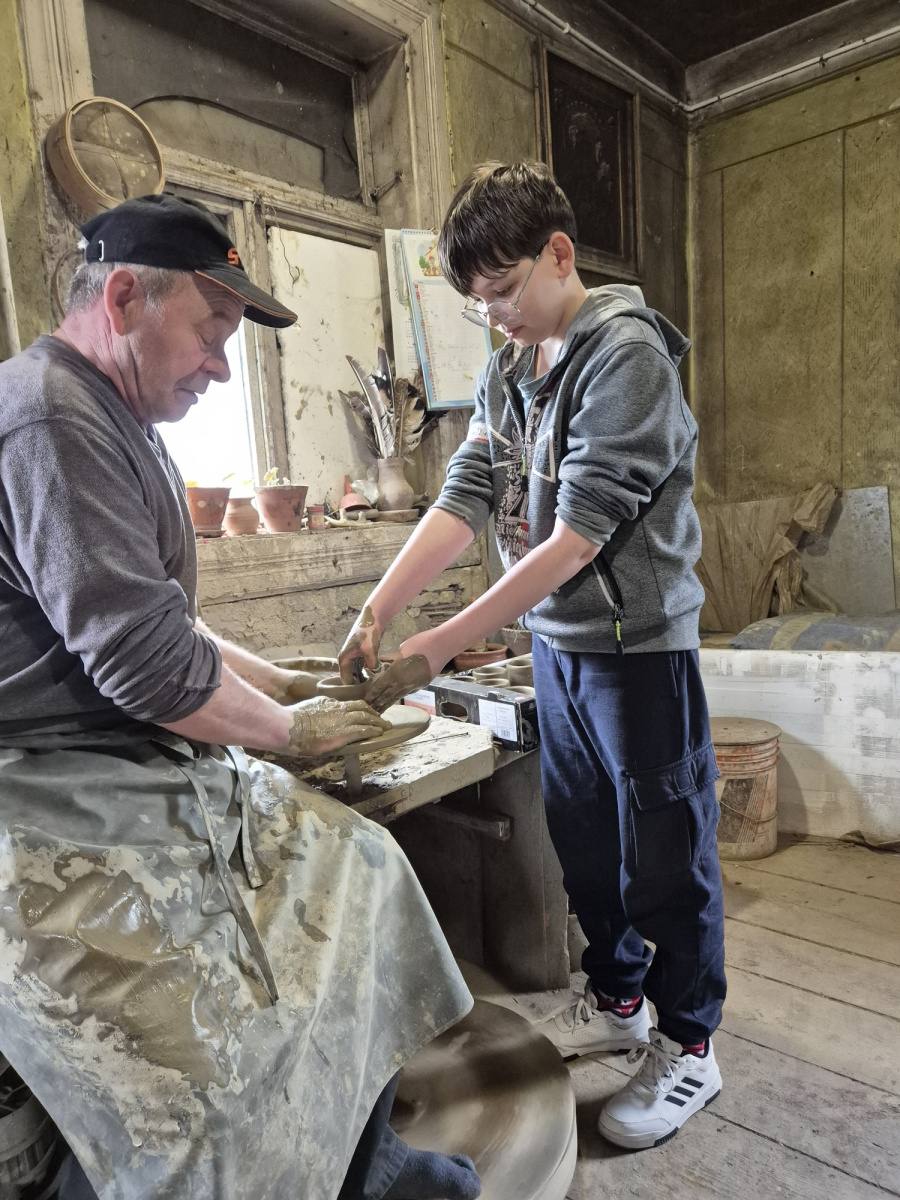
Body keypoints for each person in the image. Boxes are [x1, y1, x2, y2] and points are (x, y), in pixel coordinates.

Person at [0, 194, 482, 1200]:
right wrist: (291, 731)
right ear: (124, 299)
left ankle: (368, 1165)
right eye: (212, 331)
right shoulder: (48, 417)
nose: (222, 366)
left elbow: (166, 621)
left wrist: (281, 682)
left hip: (127, 759)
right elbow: (145, 667)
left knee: (364, 866)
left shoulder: (122, 416)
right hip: (45, 791)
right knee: (208, 1044)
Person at [340, 162, 726, 1152]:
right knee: (584, 841)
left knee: (665, 852)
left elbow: (576, 540)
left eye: (505, 290)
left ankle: (690, 1044)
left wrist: (437, 647)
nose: (496, 316)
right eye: (477, 303)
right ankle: (621, 1001)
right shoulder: (510, 368)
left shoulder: (625, 356)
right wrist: (381, 606)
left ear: (560, 254)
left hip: (637, 652)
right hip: (558, 649)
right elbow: (467, 495)